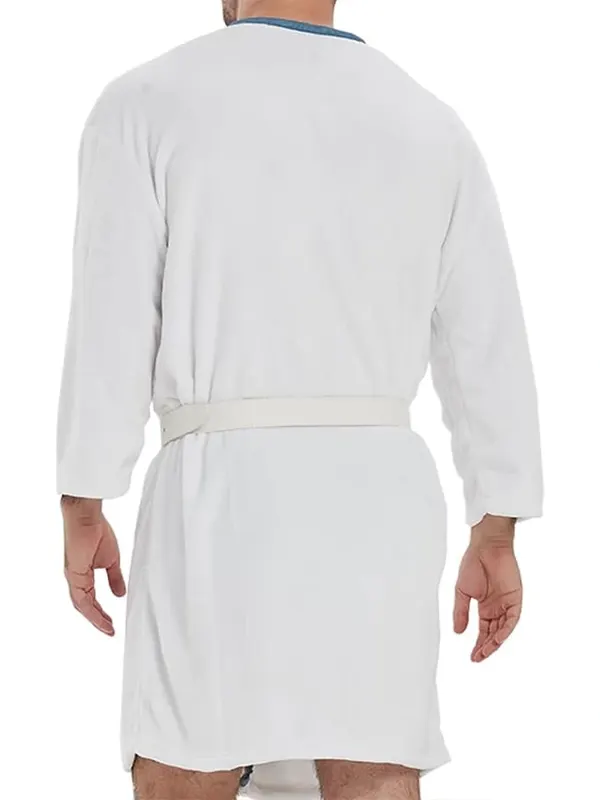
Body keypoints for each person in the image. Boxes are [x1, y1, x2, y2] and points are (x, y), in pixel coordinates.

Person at [56, 1, 543, 799]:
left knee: (185, 761)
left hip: (217, 502)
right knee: (374, 766)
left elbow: (110, 327)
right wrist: (497, 524)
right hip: (380, 506)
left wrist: (84, 503)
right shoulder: (429, 123)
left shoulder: (144, 103)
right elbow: (487, 346)